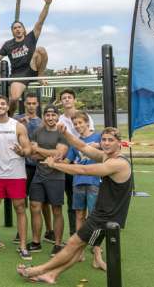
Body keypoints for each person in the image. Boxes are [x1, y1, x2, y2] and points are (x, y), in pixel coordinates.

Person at [17, 126, 132, 284]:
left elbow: (83, 170)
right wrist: (65, 133)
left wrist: (54, 165)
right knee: (78, 247)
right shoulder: (107, 157)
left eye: (110, 140)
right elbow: (82, 146)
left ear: (119, 143)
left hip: (106, 217)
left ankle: (38, 270)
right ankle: (52, 275)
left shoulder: (118, 163)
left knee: (73, 243)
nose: (106, 143)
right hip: (104, 213)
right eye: (103, 139)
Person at [0, 95, 32, 260]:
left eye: (3, 104)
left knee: (20, 209)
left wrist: (21, 152)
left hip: (16, 174)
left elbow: (28, 149)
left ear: (8, 107)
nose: (0, 106)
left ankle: (23, 246)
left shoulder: (18, 126)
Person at [0, 0, 53, 114]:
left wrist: (47, 4)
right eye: (15, 28)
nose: (17, 29)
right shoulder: (8, 44)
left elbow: (40, 21)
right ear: (12, 31)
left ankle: (40, 76)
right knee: (14, 98)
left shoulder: (30, 37)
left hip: (32, 67)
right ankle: (9, 118)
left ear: (23, 29)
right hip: (18, 73)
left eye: (19, 27)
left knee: (41, 50)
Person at [64, 110, 105, 268]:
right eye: (75, 124)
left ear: (87, 122)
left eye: (80, 123)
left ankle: (97, 255)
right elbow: (69, 160)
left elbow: (107, 152)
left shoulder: (98, 137)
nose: (78, 126)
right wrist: (58, 161)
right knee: (79, 215)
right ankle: (79, 251)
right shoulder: (75, 142)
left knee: (94, 217)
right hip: (78, 182)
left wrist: (98, 146)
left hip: (94, 181)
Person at [27, 105, 69, 257]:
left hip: (56, 176)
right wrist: (45, 153)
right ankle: (36, 242)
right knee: (34, 206)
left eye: (53, 115)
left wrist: (39, 150)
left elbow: (59, 154)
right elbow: (32, 155)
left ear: (57, 117)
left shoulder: (62, 132)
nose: (50, 118)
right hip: (39, 176)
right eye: (47, 115)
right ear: (44, 117)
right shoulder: (37, 132)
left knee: (56, 210)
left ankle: (58, 244)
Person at [14, 93, 54, 245]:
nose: (31, 106)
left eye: (33, 103)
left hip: (38, 165)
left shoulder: (42, 122)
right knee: (20, 199)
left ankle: (49, 230)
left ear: (37, 104)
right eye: (28, 103)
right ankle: (21, 230)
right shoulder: (17, 121)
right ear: (24, 104)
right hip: (21, 164)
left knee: (43, 201)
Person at [58, 89, 95, 236]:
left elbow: (90, 139)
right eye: (64, 98)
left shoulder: (86, 118)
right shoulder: (60, 120)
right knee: (74, 205)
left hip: (90, 169)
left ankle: (94, 241)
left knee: (93, 208)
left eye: (69, 97)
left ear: (74, 100)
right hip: (72, 165)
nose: (66, 100)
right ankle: (75, 236)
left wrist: (93, 146)